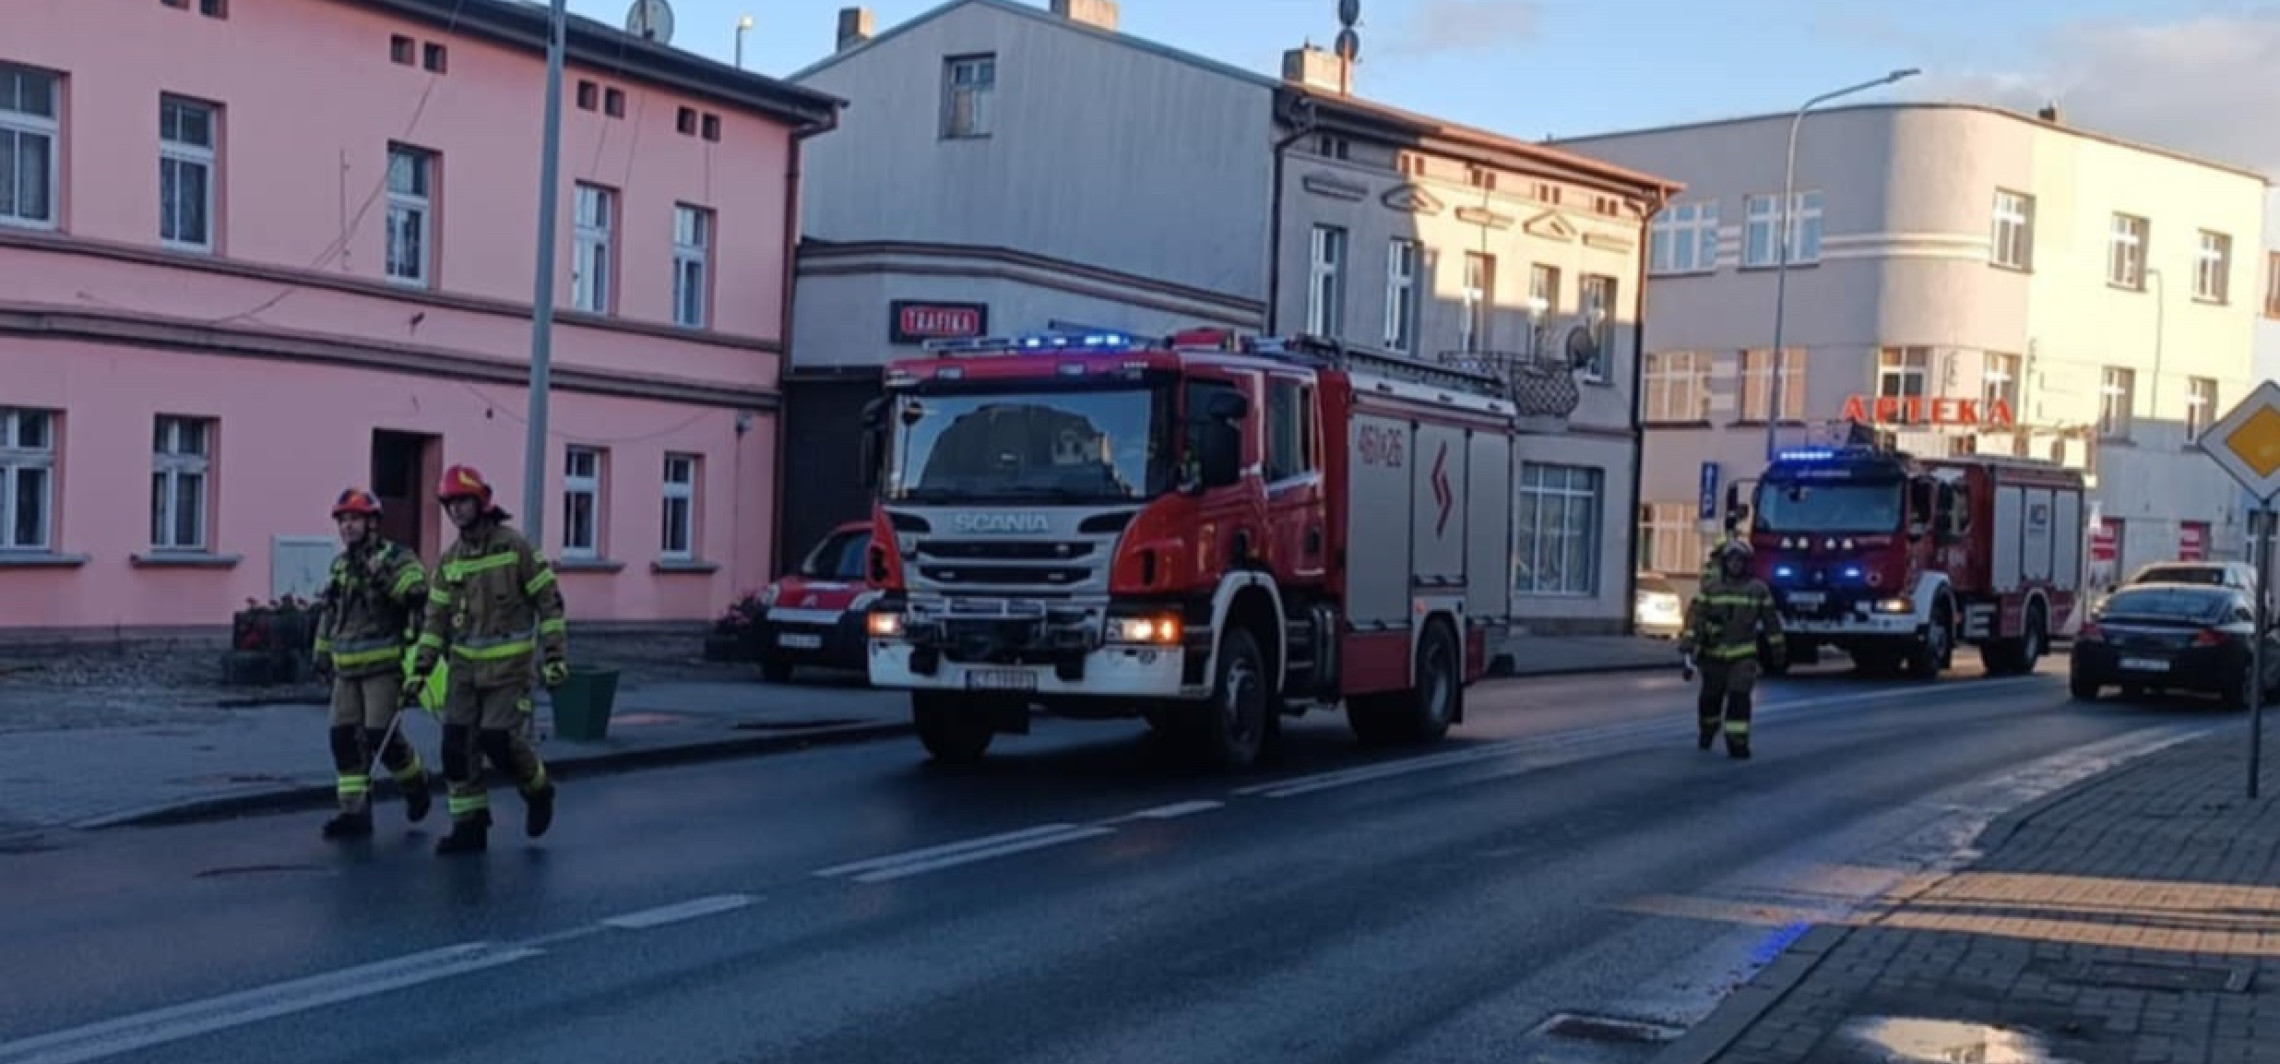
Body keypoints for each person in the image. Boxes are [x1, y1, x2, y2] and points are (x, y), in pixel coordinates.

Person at [408, 464, 568, 855]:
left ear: (481, 502)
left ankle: (538, 789)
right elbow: (435, 621)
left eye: (463, 501)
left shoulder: (515, 549)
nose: (457, 510)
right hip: (464, 671)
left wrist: (554, 658)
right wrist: (421, 668)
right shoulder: (450, 561)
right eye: (450, 504)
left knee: (499, 743)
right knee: (456, 746)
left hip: (509, 671)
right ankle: (470, 824)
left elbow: (549, 604)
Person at [311, 488, 434, 838]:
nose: (347, 527)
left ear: (372, 523)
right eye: (343, 521)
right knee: (343, 738)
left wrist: (381, 576)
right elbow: (329, 614)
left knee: (380, 736)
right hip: (346, 669)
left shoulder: (397, 557)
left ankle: (416, 784)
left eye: (354, 520)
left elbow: (415, 591)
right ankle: (354, 814)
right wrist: (320, 654)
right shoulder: (340, 566)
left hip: (383, 668)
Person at [1682, 540, 1785, 759]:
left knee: (1739, 698)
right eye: (1731, 561)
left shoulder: (1758, 590)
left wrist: (1778, 651)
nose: (1735, 565)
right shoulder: (1711, 589)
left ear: (1747, 564)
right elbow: (1695, 618)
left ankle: (1737, 743)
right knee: (1710, 700)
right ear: (1724, 563)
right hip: (1713, 657)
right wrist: (1689, 646)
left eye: (1740, 561)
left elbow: (1771, 623)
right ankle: (1707, 731)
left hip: (1743, 656)